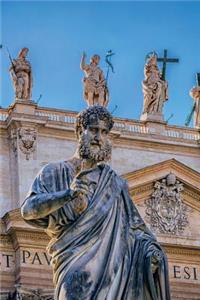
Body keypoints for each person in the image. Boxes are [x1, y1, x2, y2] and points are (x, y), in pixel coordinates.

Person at [21, 106, 171, 300]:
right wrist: (67, 195)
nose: (98, 137)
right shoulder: (55, 172)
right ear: (78, 132)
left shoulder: (115, 184)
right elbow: (28, 210)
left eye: (103, 132)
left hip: (113, 275)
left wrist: (151, 252)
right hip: (73, 268)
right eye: (93, 130)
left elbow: (137, 231)